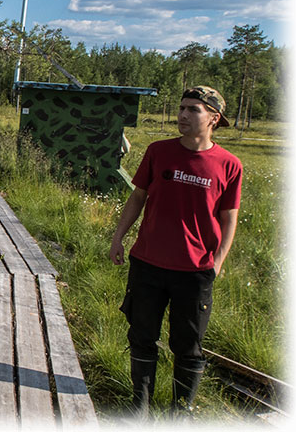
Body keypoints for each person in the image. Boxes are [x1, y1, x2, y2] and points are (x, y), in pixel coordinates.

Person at [109, 85, 242, 418]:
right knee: (141, 336)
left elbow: (229, 220)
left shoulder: (229, 165)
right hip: (148, 263)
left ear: (214, 118)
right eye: (182, 107)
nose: (183, 114)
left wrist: (218, 262)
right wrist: (118, 237)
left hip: (195, 271)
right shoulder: (158, 152)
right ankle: (138, 409)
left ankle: (181, 412)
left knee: (188, 347)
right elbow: (137, 198)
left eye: (193, 109)